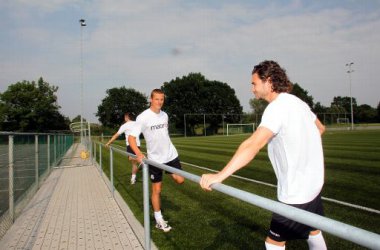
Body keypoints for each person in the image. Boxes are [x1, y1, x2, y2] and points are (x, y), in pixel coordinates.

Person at [200, 60, 327, 250]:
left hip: (296, 194)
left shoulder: (276, 108)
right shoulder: (298, 102)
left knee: (274, 244)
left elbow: (252, 145)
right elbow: (320, 128)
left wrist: (219, 176)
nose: (252, 89)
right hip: (314, 186)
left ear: (268, 82)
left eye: (254, 83)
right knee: (313, 230)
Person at [128, 88, 185, 233]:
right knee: (157, 190)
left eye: (162, 99)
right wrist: (139, 153)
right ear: (151, 99)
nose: (159, 102)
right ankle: (159, 219)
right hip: (155, 160)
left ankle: (168, 170)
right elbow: (131, 138)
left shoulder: (165, 115)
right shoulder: (143, 117)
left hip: (171, 155)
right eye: (157, 99)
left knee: (180, 180)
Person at [105, 112, 140, 185]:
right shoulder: (137, 123)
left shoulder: (125, 125)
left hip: (130, 144)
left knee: (130, 158)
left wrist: (109, 143)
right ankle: (133, 178)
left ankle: (142, 160)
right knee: (134, 163)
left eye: (125, 117)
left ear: (127, 117)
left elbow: (116, 135)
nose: (124, 118)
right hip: (137, 144)